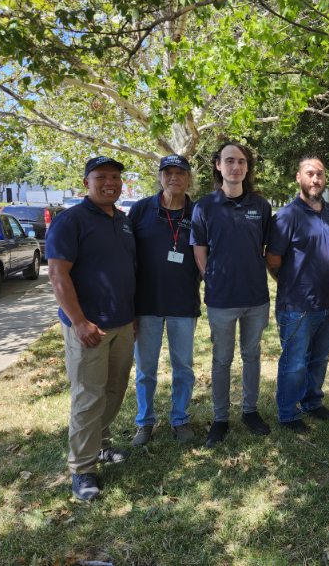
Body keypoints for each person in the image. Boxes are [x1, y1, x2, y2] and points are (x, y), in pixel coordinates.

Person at [46, 156, 137, 501]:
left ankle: (100, 444)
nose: (110, 182)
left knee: (114, 389)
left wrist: (134, 317)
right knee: (88, 395)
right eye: (101, 177)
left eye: (115, 177)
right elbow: (58, 274)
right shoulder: (71, 221)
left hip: (123, 323)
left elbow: (128, 269)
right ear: (87, 182)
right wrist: (80, 321)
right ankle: (82, 470)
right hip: (88, 327)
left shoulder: (123, 222)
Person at [190, 141, 272, 448]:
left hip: (255, 298)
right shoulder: (204, 207)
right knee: (222, 359)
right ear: (218, 166)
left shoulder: (261, 206)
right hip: (222, 300)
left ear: (247, 167)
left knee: (252, 355)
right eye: (229, 161)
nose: (235, 166)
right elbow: (200, 250)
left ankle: (250, 411)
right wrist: (210, 278)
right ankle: (221, 418)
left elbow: (265, 248)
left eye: (241, 161)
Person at [266, 156, 329, 432]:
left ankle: (312, 401)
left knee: (321, 357)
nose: (316, 179)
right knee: (295, 361)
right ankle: (287, 413)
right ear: (298, 178)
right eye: (310, 174)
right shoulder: (287, 215)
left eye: (320, 174)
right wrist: (292, 283)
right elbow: (273, 258)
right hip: (297, 305)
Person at [128, 155, 201, 446]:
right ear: (160, 177)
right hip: (146, 304)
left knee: (183, 366)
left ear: (188, 178)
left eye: (180, 173)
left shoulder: (198, 212)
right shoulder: (141, 210)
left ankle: (180, 418)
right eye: (168, 172)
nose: (174, 178)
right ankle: (144, 422)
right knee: (146, 368)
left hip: (184, 303)